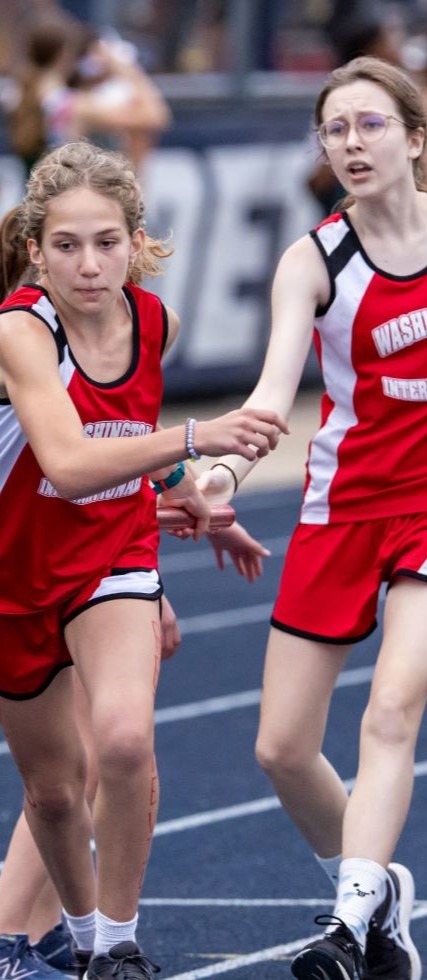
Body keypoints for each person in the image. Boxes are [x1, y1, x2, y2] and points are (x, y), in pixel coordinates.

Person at [0, 137, 284, 980]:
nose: (89, 264)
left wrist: (194, 493)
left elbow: (127, 435)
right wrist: (197, 437)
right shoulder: (20, 330)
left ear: (136, 240)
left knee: (123, 742)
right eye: (66, 245)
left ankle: (115, 946)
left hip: (112, 554)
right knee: (53, 791)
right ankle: (77, 931)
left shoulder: (151, 319)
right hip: (15, 572)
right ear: (35, 252)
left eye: (106, 242)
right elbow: (70, 462)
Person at [197, 55, 427, 980]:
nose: (349, 144)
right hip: (343, 505)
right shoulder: (314, 259)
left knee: (390, 712)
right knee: (281, 748)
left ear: (415, 139)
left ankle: (345, 923)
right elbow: (267, 396)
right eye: (334, 130)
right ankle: (380, 897)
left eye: (369, 125)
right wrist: (216, 473)